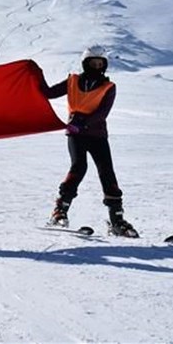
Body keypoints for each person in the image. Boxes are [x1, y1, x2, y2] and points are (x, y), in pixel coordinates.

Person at [41, 46, 137, 237]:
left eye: (100, 63)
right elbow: (49, 93)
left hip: (96, 135)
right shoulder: (72, 81)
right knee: (78, 167)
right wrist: (35, 75)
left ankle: (116, 220)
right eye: (93, 63)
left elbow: (102, 113)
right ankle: (59, 211)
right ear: (85, 64)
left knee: (107, 173)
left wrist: (81, 122)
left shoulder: (109, 87)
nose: (96, 66)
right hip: (76, 134)